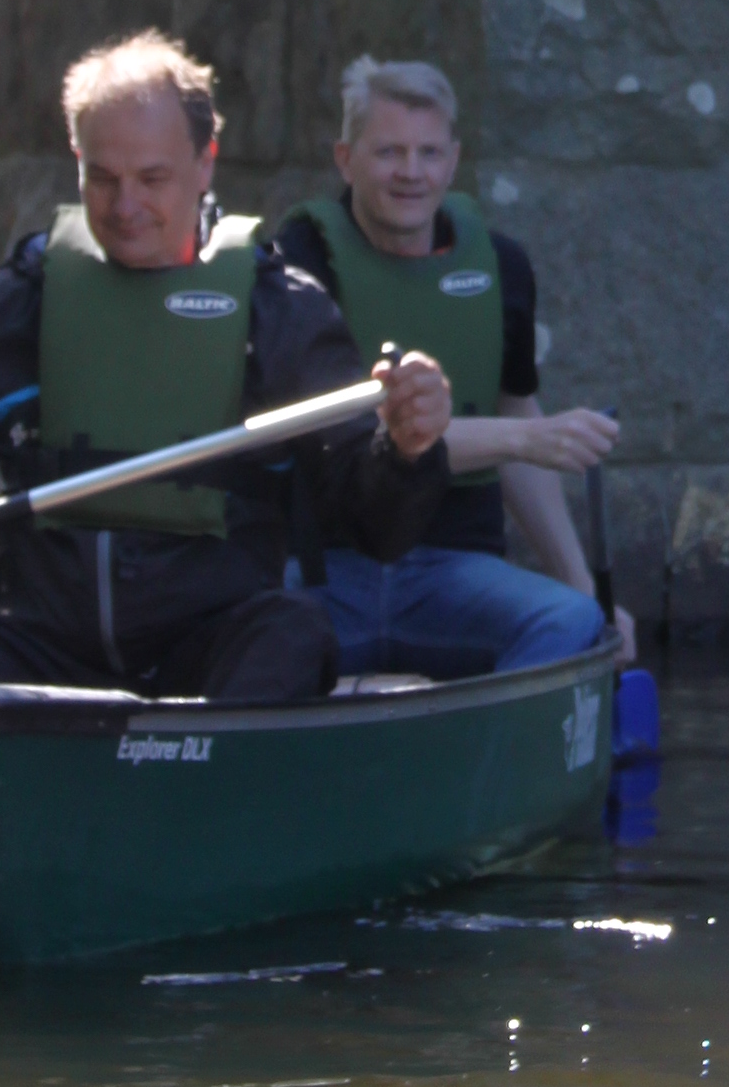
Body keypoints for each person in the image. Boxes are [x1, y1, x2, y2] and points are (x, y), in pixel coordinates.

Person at [0, 29, 451, 706]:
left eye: (152, 179)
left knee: (295, 634)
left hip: (204, 653)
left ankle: (197, 779)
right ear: (78, 162)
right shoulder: (11, 306)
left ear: (204, 162)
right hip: (44, 654)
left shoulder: (280, 314)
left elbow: (375, 522)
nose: (125, 208)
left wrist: (406, 450)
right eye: (103, 178)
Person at [271, 58, 632, 683]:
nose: (411, 172)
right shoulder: (300, 265)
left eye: (429, 153)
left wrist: (582, 585)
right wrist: (526, 439)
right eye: (388, 152)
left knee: (571, 622)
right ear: (345, 158)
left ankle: (491, 759)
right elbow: (351, 435)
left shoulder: (503, 268)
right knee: (240, 630)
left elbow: (517, 410)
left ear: (454, 159)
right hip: (328, 572)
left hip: (454, 570)